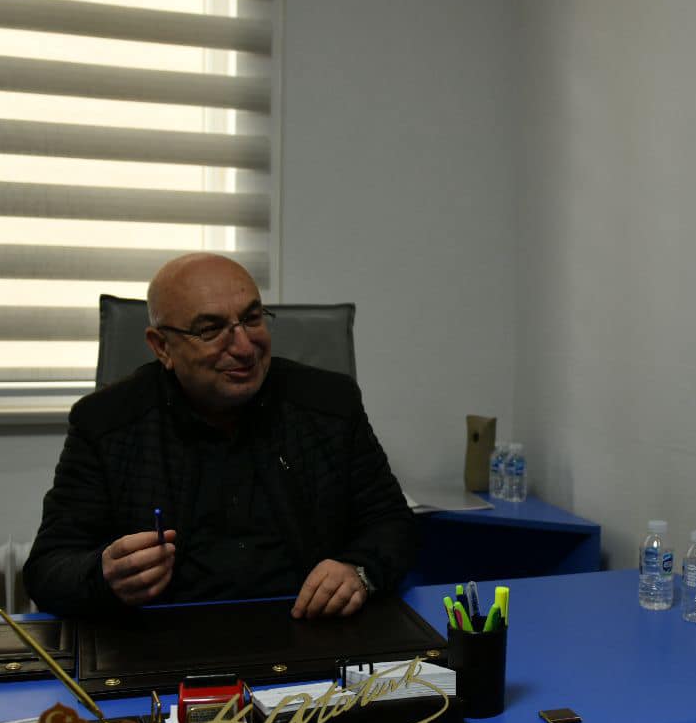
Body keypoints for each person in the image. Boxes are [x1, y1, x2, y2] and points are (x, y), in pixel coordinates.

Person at [24, 253, 414, 619]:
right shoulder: (106, 423)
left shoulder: (329, 403)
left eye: (252, 319)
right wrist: (104, 575)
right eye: (210, 330)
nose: (244, 347)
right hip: (162, 643)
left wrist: (357, 570)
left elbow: (393, 523)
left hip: (311, 630)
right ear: (162, 347)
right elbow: (48, 568)